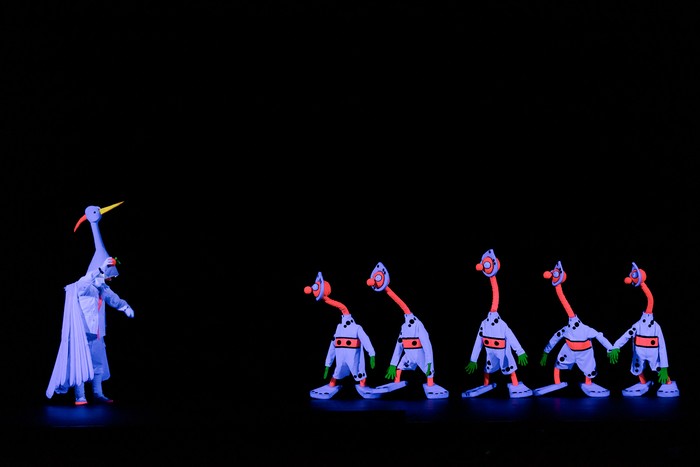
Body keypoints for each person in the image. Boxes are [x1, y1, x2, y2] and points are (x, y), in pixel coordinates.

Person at [46, 256, 135, 405]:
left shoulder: (102, 288)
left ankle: (98, 393)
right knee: (80, 361)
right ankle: (80, 396)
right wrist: (100, 269)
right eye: (109, 276)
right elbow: (86, 280)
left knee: (98, 363)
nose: (110, 280)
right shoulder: (83, 285)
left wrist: (125, 306)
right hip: (83, 333)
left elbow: (113, 298)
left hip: (98, 333)